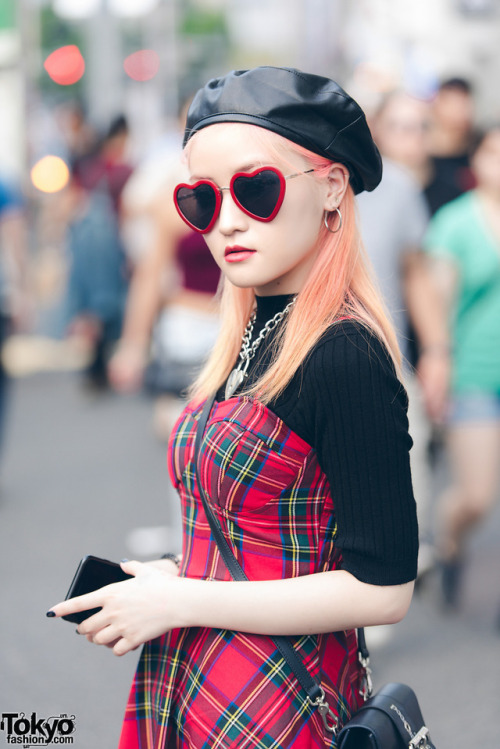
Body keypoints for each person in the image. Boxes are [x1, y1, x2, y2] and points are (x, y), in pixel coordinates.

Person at [48, 67, 418, 747]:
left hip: (281, 701)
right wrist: (173, 575)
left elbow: (385, 587)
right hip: (202, 681)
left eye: (256, 188)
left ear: (332, 185)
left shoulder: (343, 353)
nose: (228, 221)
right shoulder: (247, 333)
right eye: (202, 200)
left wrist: (183, 597)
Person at [423, 124, 500, 611]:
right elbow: (436, 303)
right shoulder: (454, 223)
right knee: (476, 497)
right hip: (472, 373)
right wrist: (439, 364)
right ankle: (448, 542)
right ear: (477, 160)